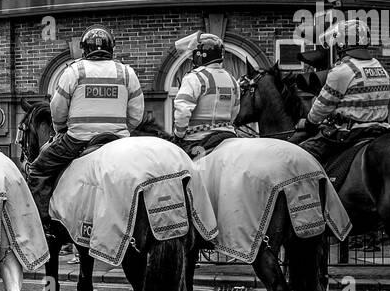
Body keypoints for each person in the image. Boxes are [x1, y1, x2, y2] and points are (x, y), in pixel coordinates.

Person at [27, 25, 144, 219]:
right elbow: (136, 114)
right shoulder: (126, 73)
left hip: (77, 140)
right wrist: (123, 130)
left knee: (38, 169)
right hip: (118, 140)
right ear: (111, 49)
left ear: (84, 49)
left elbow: (57, 109)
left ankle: (44, 226)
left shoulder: (75, 71)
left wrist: (60, 128)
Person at [295, 18, 390, 166]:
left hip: (351, 133)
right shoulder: (380, 68)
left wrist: (309, 122)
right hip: (380, 130)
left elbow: (322, 106)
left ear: (342, 44)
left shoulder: (343, 71)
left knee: (302, 156)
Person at [172, 32, 240, 158]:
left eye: (194, 56)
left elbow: (183, 111)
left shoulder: (194, 77)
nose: (193, 60)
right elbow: (235, 112)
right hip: (229, 136)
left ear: (201, 55)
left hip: (198, 139)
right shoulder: (232, 80)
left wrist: (178, 134)